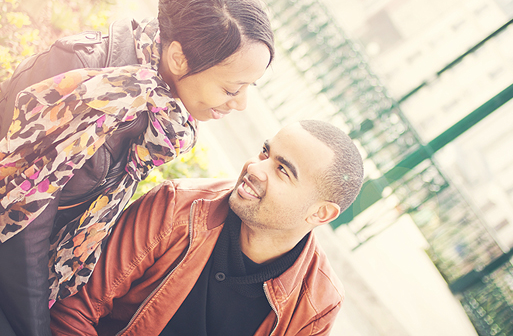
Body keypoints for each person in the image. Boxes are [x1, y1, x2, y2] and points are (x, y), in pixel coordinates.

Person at [0, 0, 274, 336]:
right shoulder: (88, 77)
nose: (241, 104)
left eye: (249, 86)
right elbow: (21, 220)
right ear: (178, 58)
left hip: (16, 260)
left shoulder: (164, 114)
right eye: (231, 88)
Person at [49, 120, 364, 336]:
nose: (255, 167)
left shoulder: (319, 301)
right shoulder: (175, 208)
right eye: (265, 152)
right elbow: (75, 309)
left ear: (320, 213)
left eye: (282, 170)